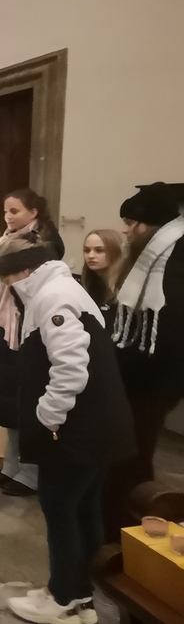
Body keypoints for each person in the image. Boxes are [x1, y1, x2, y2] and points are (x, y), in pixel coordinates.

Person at [0, 234, 133, 624]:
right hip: (96, 427)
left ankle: (62, 600)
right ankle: (80, 595)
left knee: (59, 509)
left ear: (22, 270)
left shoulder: (52, 296)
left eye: (7, 280)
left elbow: (71, 367)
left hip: (76, 430)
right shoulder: (63, 287)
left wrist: (46, 416)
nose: (8, 289)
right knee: (83, 509)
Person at [103, 182, 184, 542]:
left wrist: (119, 367)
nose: (125, 231)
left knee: (129, 461)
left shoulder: (172, 260)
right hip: (144, 379)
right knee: (129, 457)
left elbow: (166, 332)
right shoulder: (162, 252)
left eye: (130, 223)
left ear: (148, 224)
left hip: (151, 383)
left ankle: (122, 535)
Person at [0, 188, 64, 497]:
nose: (8, 217)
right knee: (9, 405)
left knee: (25, 403)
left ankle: (30, 473)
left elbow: (17, 281)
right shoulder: (9, 239)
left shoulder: (42, 244)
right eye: (5, 211)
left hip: (24, 329)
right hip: (3, 328)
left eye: (14, 211)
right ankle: (11, 465)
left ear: (34, 212)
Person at [79, 229, 124, 331]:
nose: (90, 256)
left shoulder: (124, 287)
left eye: (99, 250)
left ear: (115, 251)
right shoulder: (86, 284)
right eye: (87, 250)